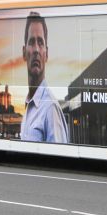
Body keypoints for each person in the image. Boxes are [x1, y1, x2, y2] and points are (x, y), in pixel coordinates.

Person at [20, 11, 69, 143]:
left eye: (40, 42)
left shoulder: (50, 108)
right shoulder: (29, 107)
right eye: (31, 42)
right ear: (24, 52)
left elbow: (60, 159)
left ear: (46, 54)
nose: (36, 49)